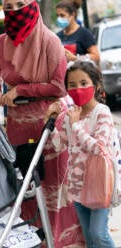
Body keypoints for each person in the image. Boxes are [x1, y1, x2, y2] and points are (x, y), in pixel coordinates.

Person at [0, 0, 84, 247]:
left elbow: (59, 86)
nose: (15, 12)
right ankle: (35, 241)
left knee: (54, 184)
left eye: (21, 6)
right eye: (8, 8)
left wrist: (21, 89)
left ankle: (64, 241)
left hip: (49, 122)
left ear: (33, 6)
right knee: (27, 187)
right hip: (17, 124)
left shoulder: (50, 41)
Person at [46, 61, 115, 247]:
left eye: (84, 83)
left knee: (98, 234)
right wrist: (52, 121)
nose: (78, 89)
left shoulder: (102, 113)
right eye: (72, 85)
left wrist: (76, 125)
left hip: (100, 184)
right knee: (88, 236)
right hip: (77, 186)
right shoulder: (71, 114)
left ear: (96, 85)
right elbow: (59, 144)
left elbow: (98, 148)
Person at [56, 0, 100, 66]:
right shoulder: (57, 36)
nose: (59, 18)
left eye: (62, 15)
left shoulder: (84, 33)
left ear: (72, 14)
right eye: (57, 16)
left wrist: (75, 58)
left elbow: (96, 57)